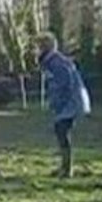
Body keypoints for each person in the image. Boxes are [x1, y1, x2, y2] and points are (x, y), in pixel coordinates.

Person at [36, 31, 90, 178]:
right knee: (61, 131)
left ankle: (67, 169)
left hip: (71, 102)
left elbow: (65, 83)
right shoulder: (52, 62)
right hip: (68, 102)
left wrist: (57, 101)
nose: (37, 50)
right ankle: (65, 167)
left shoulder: (57, 62)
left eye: (40, 46)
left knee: (61, 130)